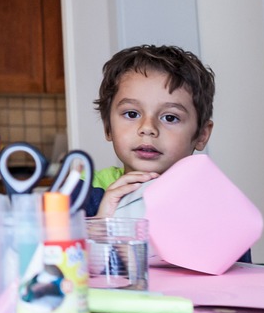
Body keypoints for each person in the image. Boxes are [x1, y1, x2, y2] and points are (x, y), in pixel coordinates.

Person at [85, 44, 215, 218]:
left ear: (201, 135)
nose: (148, 128)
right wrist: (101, 224)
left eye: (170, 118)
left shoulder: (213, 202)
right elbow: (52, 243)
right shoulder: (83, 191)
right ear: (108, 127)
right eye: (132, 114)